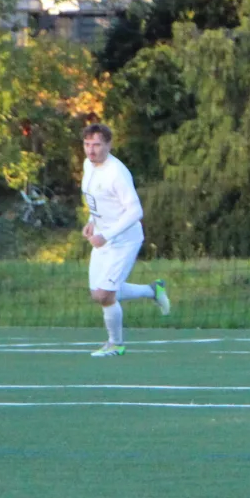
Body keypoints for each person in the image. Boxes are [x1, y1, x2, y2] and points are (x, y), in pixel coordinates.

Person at [80, 124, 168, 357]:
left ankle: (116, 344)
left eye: (97, 145)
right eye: (87, 144)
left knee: (104, 295)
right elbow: (98, 200)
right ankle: (153, 290)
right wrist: (91, 220)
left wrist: (106, 235)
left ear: (108, 145)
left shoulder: (117, 173)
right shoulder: (88, 165)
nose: (91, 150)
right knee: (98, 293)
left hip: (124, 240)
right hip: (102, 238)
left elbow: (135, 211)